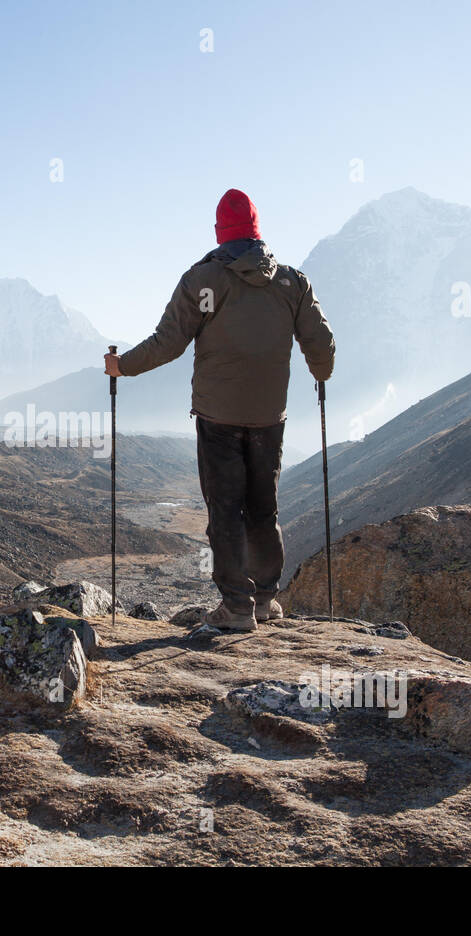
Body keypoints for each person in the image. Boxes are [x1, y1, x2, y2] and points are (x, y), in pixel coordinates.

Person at [105, 188, 335, 631]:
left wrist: (122, 367)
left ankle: (236, 607)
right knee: (263, 509)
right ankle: (266, 598)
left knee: (225, 510)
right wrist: (321, 374)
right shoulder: (291, 283)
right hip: (271, 417)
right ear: (257, 231)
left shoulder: (203, 281)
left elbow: (167, 342)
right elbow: (321, 345)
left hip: (218, 418)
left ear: (219, 232)